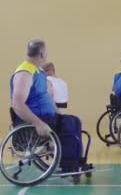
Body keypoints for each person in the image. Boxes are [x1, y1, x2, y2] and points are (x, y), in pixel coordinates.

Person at [10, 40, 88, 172]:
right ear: (42, 54)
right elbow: (17, 104)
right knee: (68, 124)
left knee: (73, 120)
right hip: (34, 121)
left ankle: (75, 161)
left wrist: (59, 113)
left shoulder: (38, 72)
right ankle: (68, 165)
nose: (46, 56)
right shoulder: (25, 73)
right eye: (46, 53)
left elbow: (48, 98)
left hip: (47, 117)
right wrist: (38, 123)